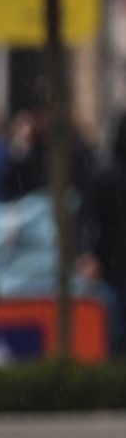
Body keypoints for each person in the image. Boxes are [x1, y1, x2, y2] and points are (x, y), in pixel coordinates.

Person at [78, 118, 126, 355]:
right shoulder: (106, 178)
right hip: (113, 267)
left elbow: (85, 218)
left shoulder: (104, 176)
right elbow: (86, 219)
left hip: (111, 265)